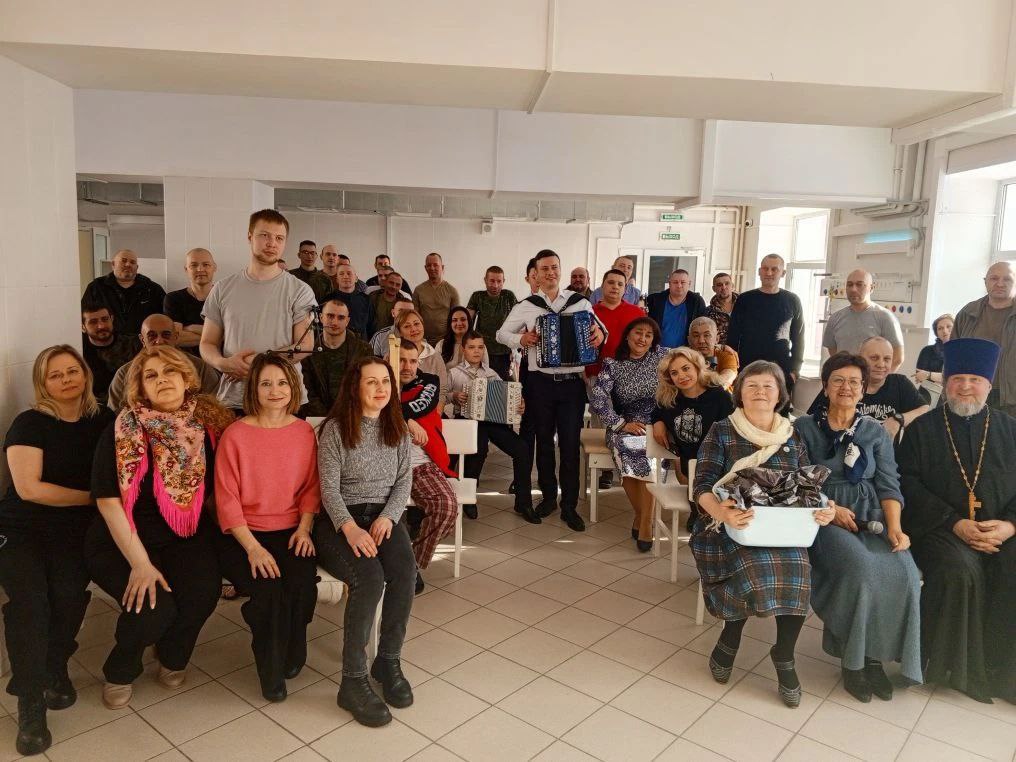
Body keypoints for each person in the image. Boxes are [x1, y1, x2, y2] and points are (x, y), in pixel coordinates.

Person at [86, 345, 234, 710]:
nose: (162, 380)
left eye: (170, 371)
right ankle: (121, 668)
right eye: (151, 375)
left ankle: (172, 653)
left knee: (201, 594)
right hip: (122, 538)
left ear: (186, 379)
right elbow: (108, 503)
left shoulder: (207, 426)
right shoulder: (121, 429)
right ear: (140, 388)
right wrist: (140, 564)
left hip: (184, 533)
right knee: (153, 607)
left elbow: (217, 491)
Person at [692, 361, 835, 707]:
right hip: (734, 524)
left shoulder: (791, 433)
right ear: (739, 393)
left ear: (780, 395)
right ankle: (731, 636)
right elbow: (702, 485)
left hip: (784, 529)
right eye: (752, 385)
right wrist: (721, 513)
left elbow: (806, 486)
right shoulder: (722, 430)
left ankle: (784, 655)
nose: (760, 392)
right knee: (751, 571)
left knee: (799, 572)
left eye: (768, 386)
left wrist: (825, 508)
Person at [0, 346, 114, 756]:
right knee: (30, 602)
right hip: (21, 529)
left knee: (67, 595)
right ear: (42, 383)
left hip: (73, 531)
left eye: (72, 371)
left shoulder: (104, 420)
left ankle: (55, 665)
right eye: (55, 375)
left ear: (85, 374)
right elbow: (29, 489)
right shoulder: (30, 423)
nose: (66, 379)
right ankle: (31, 703)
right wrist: (94, 499)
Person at [793, 352, 923, 702]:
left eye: (854, 382)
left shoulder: (874, 432)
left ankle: (874, 658)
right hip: (821, 517)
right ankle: (853, 663)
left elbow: (889, 484)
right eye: (838, 380)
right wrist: (830, 508)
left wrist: (895, 528)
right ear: (825, 386)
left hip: (872, 516)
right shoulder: (804, 428)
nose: (846, 387)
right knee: (863, 570)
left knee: (905, 572)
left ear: (863, 390)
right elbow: (796, 481)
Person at [897, 337, 1015, 704]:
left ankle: (1004, 673)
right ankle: (956, 670)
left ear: (988, 386)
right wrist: (954, 523)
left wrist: (1009, 525)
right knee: (960, 570)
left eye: (974, 380)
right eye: (957, 379)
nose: (965, 387)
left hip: (1001, 529)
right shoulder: (921, 429)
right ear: (945, 383)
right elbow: (907, 485)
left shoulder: (1010, 430)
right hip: (939, 529)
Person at [314, 356, 416, 727]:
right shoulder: (335, 429)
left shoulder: (397, 427)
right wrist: (350, 528)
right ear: (355, 387)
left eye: (385, 381)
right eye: (371, 381)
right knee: (369, 578)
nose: (380, 389)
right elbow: (328, 489)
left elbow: (404, 481)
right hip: (339, 521)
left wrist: (389, 517)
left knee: (405, 572)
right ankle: (352, 681)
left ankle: (387, 660)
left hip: (384, 517)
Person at [214, 354, 320, 702]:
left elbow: (311, 486)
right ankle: (270, 669)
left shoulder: (303, 432)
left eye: (282, 382)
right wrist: (253, 548)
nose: (275, 390)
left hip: (291, 529)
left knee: (301, 586)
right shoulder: (235, 435)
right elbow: (226, 499)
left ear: (293, 387)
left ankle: (296, 642)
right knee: (269, 593)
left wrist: (304, 528)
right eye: (266, 383)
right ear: (253, 390)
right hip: (243, 535)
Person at [497, 249, 606, 531]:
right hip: (540, 384)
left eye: (554, 267)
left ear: (560, 269)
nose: (550, 273)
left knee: (569, 445)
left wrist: (599, 335)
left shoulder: (579, 303)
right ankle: (548, 498)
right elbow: (501, 334)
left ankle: (569, 505)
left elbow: (602, 331)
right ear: (536, 273)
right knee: (544, 443)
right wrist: (522, 339)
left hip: (571, 384)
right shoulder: (527, 305)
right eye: (544, 268)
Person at [200, 209, 317, 413]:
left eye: (279, 238)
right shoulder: (222, 288)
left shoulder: (299, 290)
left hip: (284, 398)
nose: (272, 243)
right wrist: (223, 363)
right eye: (265, 235)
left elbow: (305, 345)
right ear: (250, 237)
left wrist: (260, 363)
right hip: (235, 398)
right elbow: (207, 343)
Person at [589, 318, 667, 551]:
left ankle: (642, 519)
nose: (642, 339)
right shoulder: (613, 364)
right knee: (632, 450)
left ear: (653, 340)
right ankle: (645, 520)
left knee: (648, 457)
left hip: (658, 424)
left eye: (648, 335)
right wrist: (620, 424)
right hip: (626, 425)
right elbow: (598, 399)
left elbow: (689, 368)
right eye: (638, 333)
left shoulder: (663, 357)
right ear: (627, 336)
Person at [449, 331, 535, 522]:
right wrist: (454, 396)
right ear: (463, 350)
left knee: (521, 448)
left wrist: (518, 404)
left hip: (491, 421)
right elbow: (443, 396)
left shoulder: (491, 373)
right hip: (466, 421)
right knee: (479, 448)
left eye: (480, 347)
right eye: (471, 347)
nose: (476, 351)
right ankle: (469, 499)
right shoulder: (454, 373)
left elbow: (507, 397)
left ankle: (524, 502)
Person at [395, 341, 459, 589]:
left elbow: (420, 404)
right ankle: (389, 564)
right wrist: (408, 422)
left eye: (412, 361)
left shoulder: (428, 382)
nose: (407, 366)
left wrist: (403, 416)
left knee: (447, 508)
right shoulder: (378, 382)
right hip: (383, 467)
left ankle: (409, 565)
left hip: (420, 464)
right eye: (401, 360)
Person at [808, 336, 929, 441]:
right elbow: (811, 421)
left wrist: (898, 420)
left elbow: (924, 409)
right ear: (861, 359)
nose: (881, 364)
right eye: (874, 358)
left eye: (887, 359)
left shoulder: (899, 383)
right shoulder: (841, 386)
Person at [726, 254, 805, 411]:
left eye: (774, 269)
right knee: (745, 413)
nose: (769, 273)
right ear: (759, 271)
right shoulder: (745, 299)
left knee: (778, 417)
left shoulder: (792, 300)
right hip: (748, 369)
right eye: (765, 268)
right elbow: (733, 336)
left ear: (783, 273)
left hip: (781, 372)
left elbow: (799, 337)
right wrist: (733, 369)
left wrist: (795, 371)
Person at [652, 346, 734, 484]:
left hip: (720, 472)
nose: (681, 376)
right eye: (674, 373)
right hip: (689, 472)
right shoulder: (669, 400)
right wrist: (657, 422)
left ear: (697, 367)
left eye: (686, 368)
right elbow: (656, 412)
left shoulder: (720, 396)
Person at [107, 313, 220, 411]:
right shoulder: (124, 374)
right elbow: (115, 414)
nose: (159, 341)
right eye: (152, 336)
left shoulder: (199, 367)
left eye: (166, 335)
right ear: (142, 340)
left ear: (176, 337)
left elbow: (216, 404)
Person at [953, 261, 1016, 416]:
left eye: (1007, 279)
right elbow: (953, 358)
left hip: (1011, 401)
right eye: (994, 278)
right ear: (985, 282)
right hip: (971, 395)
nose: (1000, 283)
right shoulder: (968, 313)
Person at [301, 298, 371, 417]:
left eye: (341, 318)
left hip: (353, 416)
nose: (334, 322)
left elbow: (366, 386)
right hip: (317, 417)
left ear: (347, 321)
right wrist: (326, 419)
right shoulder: (308, 350)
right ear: (321, 317)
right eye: (330, 316)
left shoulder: (363, 350)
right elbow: (306, 389)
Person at [823, 269, 905, 369]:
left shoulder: (885, 318)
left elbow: (897, 358)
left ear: (871, 288)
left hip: (873, 378)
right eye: (850, 285)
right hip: (846, 377)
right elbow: (834, 353)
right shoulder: (835, 318)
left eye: (859, 284)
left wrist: (880, 377)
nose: (853, 289)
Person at [81, 249, 167, 336]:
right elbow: (83, 317)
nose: (128, 264)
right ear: (113, 264)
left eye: (132, 262)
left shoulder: (152, 289)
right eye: (124, 261)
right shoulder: (96, 287)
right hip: (106, 341)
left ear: (137, 267)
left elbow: (165, 319)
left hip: (143, 342)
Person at [587, 269, 645, 379]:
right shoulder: (589, 313)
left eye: (620, 284)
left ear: (625, 289)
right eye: (611, 282)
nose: (615, 287)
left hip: (628, 375)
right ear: (602, 286)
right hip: (596, 374)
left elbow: (646, 344)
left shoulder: (637, 313)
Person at [81, 303, 141, 405]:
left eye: (105, 319)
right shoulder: (80, 352)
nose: (101, 326)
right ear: (83, 327)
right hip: (97, 408)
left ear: (112, 319)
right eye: (93, 322)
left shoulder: (134, 344)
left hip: (134, 403)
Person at [466, 266, 518, 381]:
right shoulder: (477, 296)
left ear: (504, 281)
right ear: (485, 280)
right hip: (482, 350)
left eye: (499, 281)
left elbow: (519, 322)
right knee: (482, 383)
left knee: (503, 385)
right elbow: (467, 321)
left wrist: (515, 349)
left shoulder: (508, 296)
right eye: (492, 281)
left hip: (504, 351)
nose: (495, 285)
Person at [163, 247, 218, 353]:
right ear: (186, 269)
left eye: (206, 264)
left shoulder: (225, 298)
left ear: (214, 267)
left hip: (219, 361)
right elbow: (175, 338)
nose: (200, 269)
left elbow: (232, 335)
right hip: (184, 362)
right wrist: (217, 335)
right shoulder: (173, 299)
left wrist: (190, 328)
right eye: (194, 265)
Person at [392, 309, 449, 407]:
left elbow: (442, 391)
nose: (413, 329)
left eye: (416, 324)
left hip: (431, 411)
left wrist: (436, 414)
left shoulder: (435, 357)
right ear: (400, 332)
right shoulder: (392, 355)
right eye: (407, 326)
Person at [647, 269, 707, 349]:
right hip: (657, 351)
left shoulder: (696, 302)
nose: (679, 285)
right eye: (675, 282)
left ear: (689, 284)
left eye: (683, 282)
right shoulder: (655, 300)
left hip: (686, 351)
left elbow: (703, 326)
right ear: (669, 284)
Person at [413, 252, 461, 345]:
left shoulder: (452, 291)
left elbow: (456, 318)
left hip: (445, 341)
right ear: (425, 268)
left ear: (442, 267)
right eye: (429, 265)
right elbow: (414, 317)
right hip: (423, 340)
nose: (432, 268)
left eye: (435, 265)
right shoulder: (418, 290)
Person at [688, 316, 739, 389]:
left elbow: (727, 379)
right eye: (696, 336)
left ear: (717, 339)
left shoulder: (726, 354)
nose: (701, 340)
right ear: (689, 340)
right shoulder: (683, 357)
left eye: (707, 335)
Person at [328, 263, 375, 338]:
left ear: (356, 279)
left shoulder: (366, 300)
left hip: (361, 342)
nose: (345, 276)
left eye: (349, 273)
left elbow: (371, 326)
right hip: (336, 340)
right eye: (341, 274)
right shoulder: (329, 300)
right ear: (337, 279)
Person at [436, 306, 489, 371]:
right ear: (450, 324)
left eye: (463, 319)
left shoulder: (479, 345)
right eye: (454, 320)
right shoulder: (441, 345)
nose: (459, 323)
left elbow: (485, 372)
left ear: (469, 322)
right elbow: (436, 370)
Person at [915, 313, 954, 384]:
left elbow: (954, 378)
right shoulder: (927, 350)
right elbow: (919, 377)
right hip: (928, 390)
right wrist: (940, 377)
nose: (944, 331)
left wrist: (929, 375)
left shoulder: (963, 351)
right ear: (937, 333)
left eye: (948, 326)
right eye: (940, 328)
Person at [706, 272, 739, 345]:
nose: (724, 287)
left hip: (744, 350)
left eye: (727, 283)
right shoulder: (708, 312)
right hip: (720, 350)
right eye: (719, 285)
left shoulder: (744, 306)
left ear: (732, 286)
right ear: (714, 288)